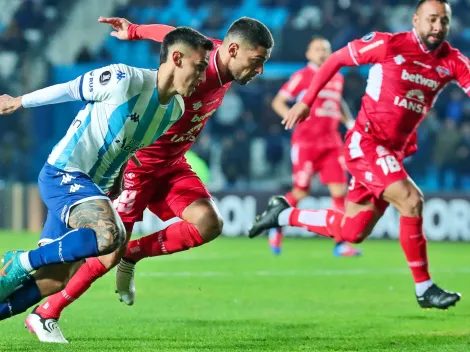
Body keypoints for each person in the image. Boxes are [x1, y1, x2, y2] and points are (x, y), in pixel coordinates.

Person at [5, 16, 273, 343]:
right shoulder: (190, 68)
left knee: (209, 222)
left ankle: (132, 254)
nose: (258, 70)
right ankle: (47, 311)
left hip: (173, 164)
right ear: (232, 49)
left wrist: (135, 31)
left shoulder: (211, 62)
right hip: (139, 163)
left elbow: (172, 37)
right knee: (102, 253)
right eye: (256, 61)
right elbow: (172, 41)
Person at [249, 0, 469, 310]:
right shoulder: (388, 44)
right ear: (415, 19)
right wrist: (306, 101)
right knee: (411, 200)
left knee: (352, 231)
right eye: (431, 19)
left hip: (391, 152)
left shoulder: (452, 61)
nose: (437, 27)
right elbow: (335, 60)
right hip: (366, 143)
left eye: (443, 21)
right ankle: (424, 287)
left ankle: (282, 215)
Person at [269, 35, 361, 257]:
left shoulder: (337, 78)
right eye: (317, 49)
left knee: (340, 192)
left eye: (326, 49)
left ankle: (341, 243)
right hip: (306, 142)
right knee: (301, 190)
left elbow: (338, 103)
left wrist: (349, 122)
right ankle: (275, 221)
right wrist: (290, 119)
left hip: (331, 143)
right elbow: (278, 101)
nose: (322, 52)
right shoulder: (302, 76)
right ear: (308, 54)